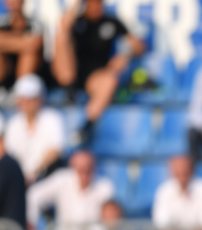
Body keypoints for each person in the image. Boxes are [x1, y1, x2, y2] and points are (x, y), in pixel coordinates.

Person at [52, 0, 146, 141]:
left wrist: (125, 55)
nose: (97, 6)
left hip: (94, 76)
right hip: (68, 73)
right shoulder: (76, 21)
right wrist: (76, 5)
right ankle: (69, 89)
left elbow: (139, 46)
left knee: (110, 80)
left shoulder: (111, 22)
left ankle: (87, 126)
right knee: (61, 39)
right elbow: (63, 27)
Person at [4, 74, 65, 184]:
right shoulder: (13, 123)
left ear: (40, 99)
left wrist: (34, 173)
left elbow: (55, 150)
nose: (26, 103)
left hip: (47, 178)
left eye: (31, 99)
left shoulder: (52, 118)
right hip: (21, 178)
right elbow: (11, 154)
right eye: (23, 99)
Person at [0, 0, 44, 89]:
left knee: (30, 53)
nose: (15, 3)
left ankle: (21, 89)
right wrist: (22, 41)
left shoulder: (34, 22)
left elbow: (35, 44)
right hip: (6, 68)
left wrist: (3, 44)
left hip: (30, 72)